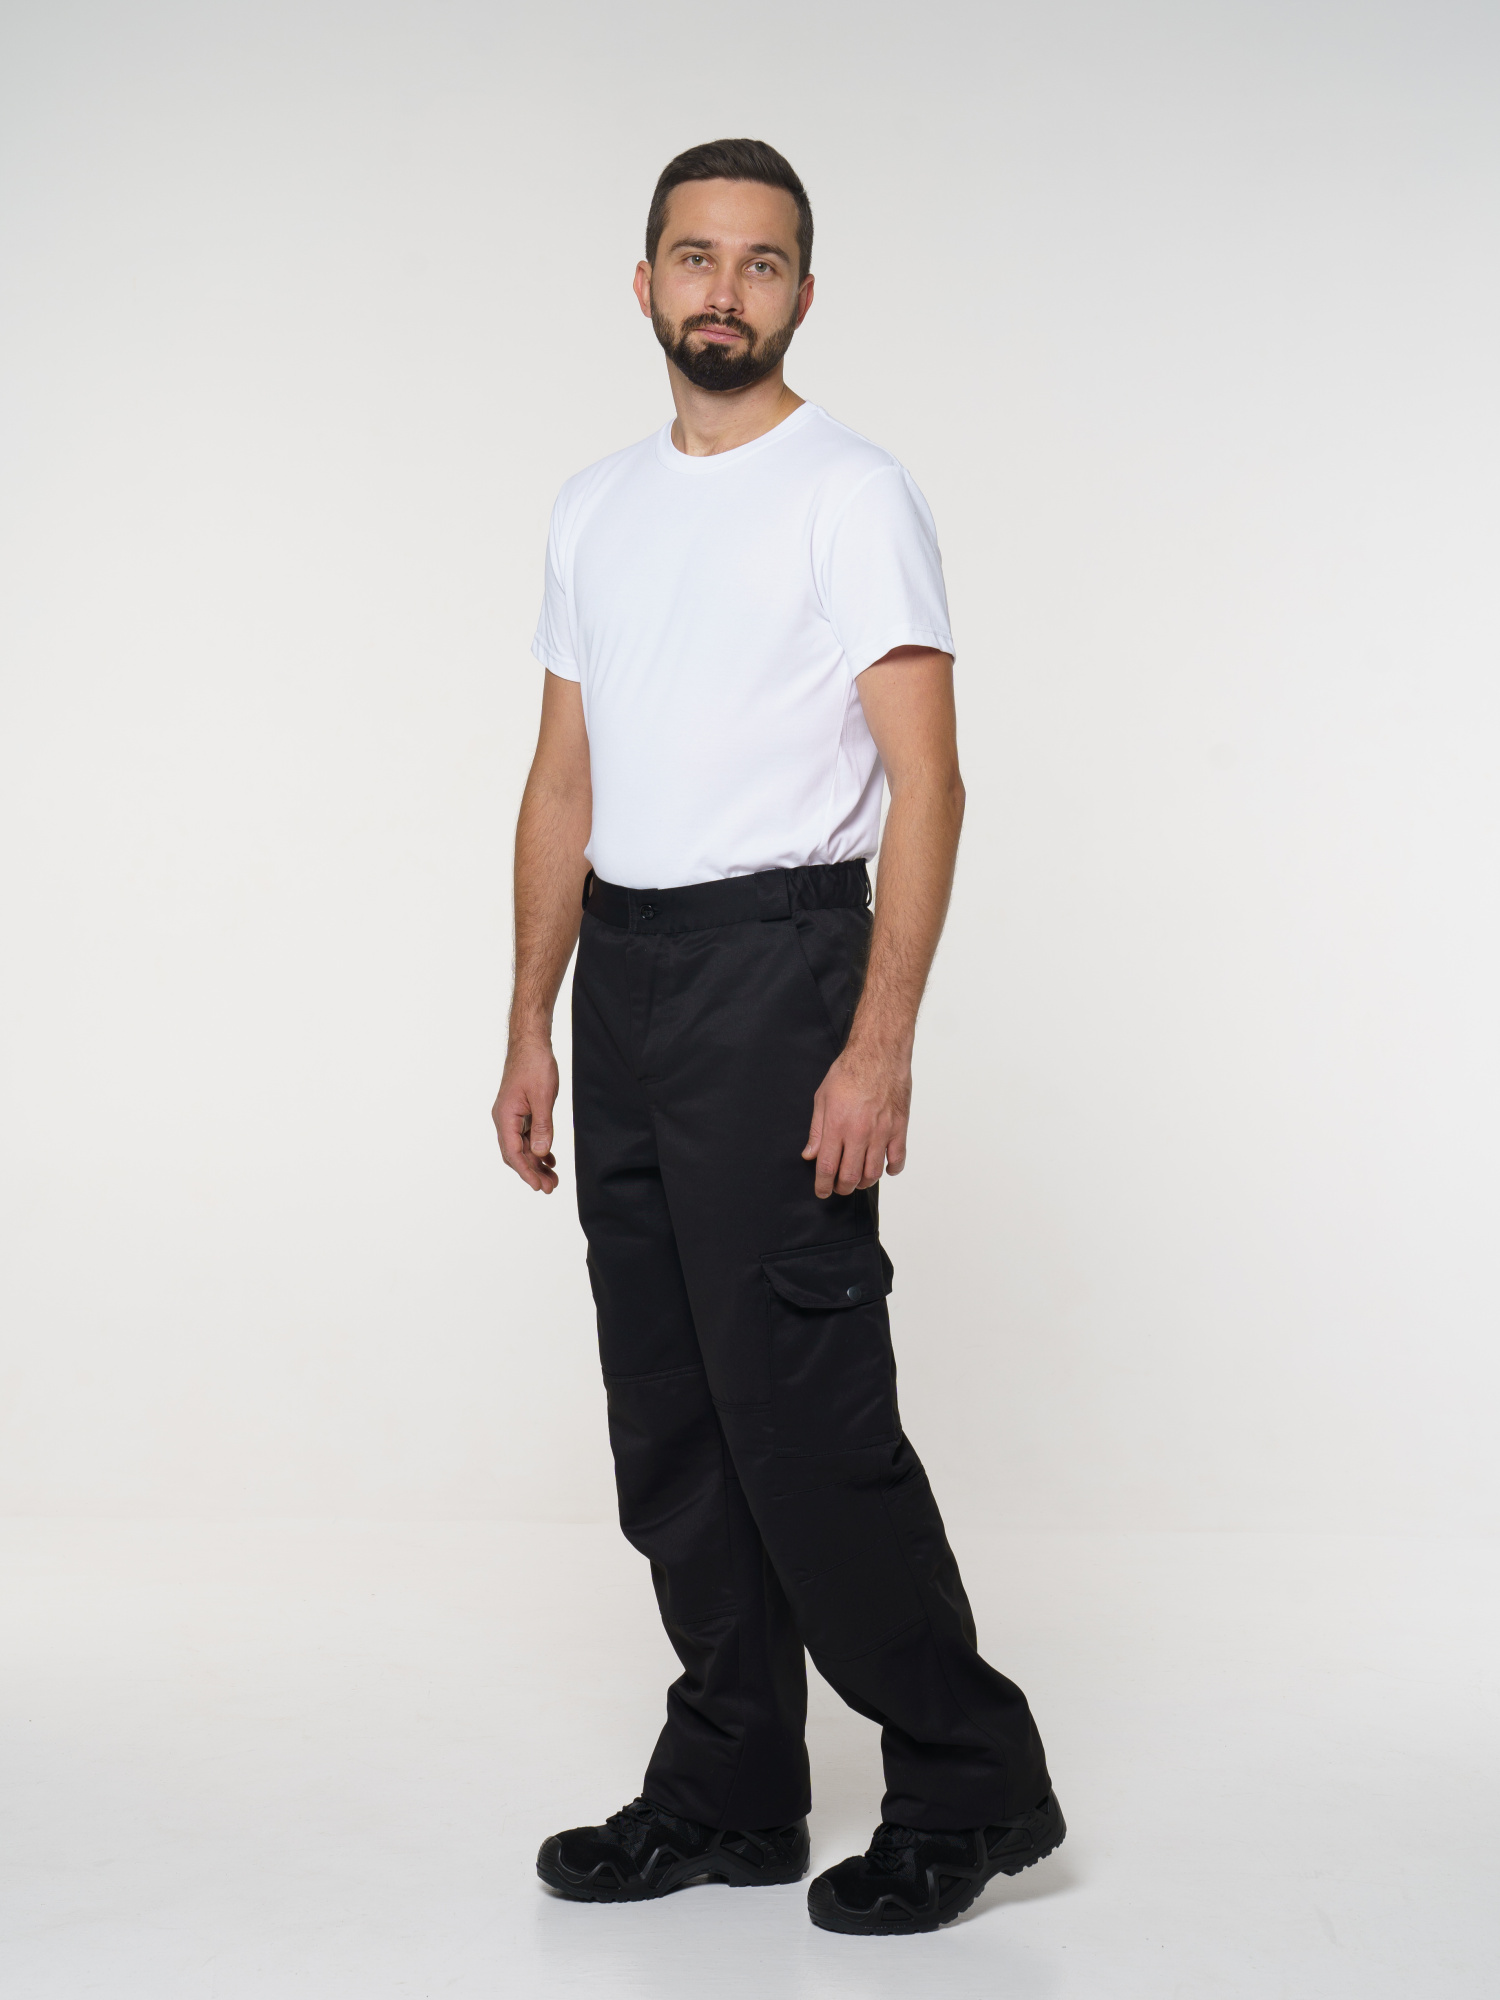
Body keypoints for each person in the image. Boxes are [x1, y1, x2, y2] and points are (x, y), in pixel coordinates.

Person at [492, 137, 1063, 1938]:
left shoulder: (852, 493)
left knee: (804, 1411)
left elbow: (929, 783)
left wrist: (878, 1045)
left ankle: (971, 1784)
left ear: (804, 293)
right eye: (695, 256)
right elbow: (563, 777)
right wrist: (528, 1021)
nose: (723, 289)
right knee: (669, 1412)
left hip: (780, 965)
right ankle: (731, 1783)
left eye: (760, 262)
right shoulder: (594, 506)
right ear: (644, 283)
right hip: (627, 975)